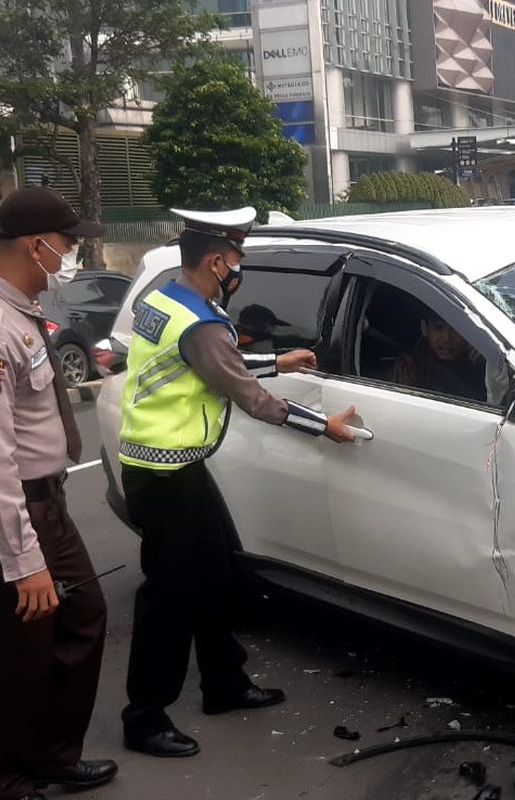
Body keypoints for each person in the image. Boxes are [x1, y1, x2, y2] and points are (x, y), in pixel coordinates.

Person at [119, 207, 360, 759]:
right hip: (166, 474)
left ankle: (224, 683)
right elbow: (246, 395)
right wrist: (326, 426)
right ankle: (144, 717)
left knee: (216, 575)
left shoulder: (166, 300)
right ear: (216, 259)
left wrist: (278, 360)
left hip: (168, 465)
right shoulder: (199, 321)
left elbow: (208, 362)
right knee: (169, 596)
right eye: (237, 259)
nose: (239, 268)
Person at [0, 187, 115, 800]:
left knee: (83, 619)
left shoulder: (18, 313)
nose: (71, 253)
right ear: (33, 245)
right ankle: (3, 781)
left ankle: (50, 757)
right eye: (67, 243)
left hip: (48, 504)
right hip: (10, 514)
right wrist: (23, 562)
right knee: (16, 653)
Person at [391, 310, 487, 403]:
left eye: (456, 329)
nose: (447, 338)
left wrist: (486, 364)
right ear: (424, 328)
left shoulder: (479, 360)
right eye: (438, 328)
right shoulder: (410, 367)